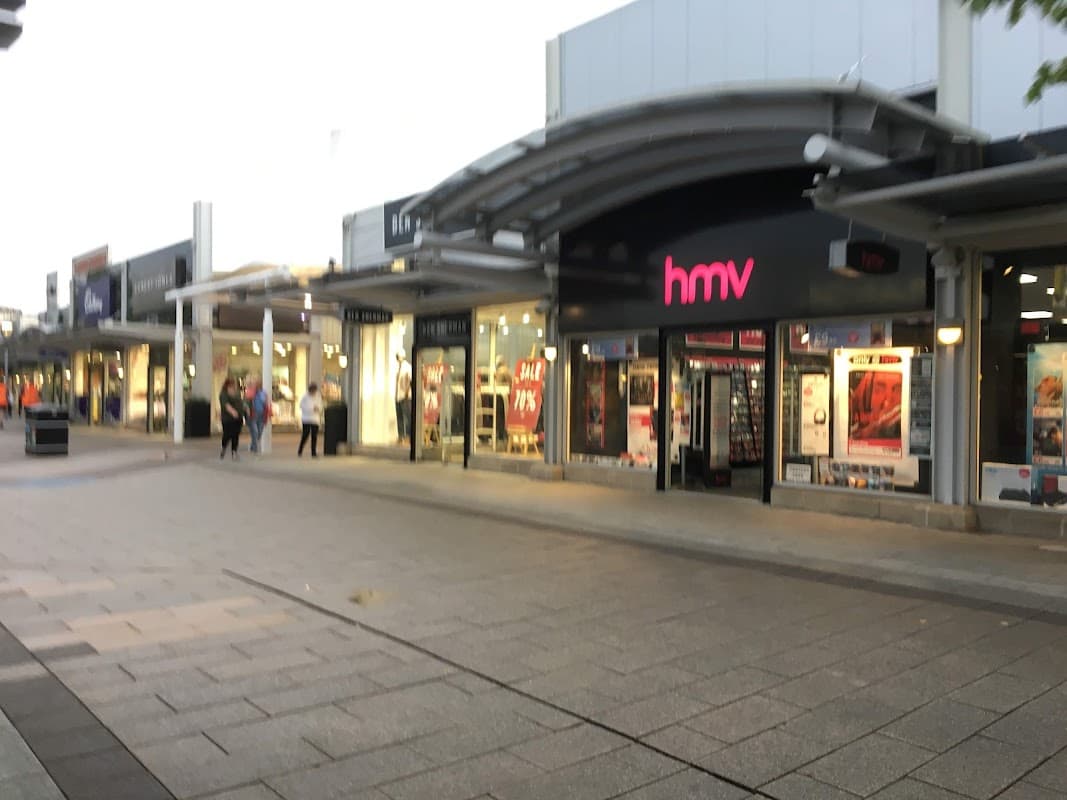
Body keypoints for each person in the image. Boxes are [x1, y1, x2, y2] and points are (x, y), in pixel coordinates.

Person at [218, 377, 244, 460]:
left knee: (235, 435)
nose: (234, 386)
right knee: (227, 434)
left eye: (235, 384)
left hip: (238, 418)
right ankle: (223, 447)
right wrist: (233, 412)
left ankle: (234, 452)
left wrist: (245, 409)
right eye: (232, 384)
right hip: (228, 419)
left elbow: (241, 403)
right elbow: (226, 405)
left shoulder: (237, 393)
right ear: (227, 385)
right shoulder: (223, 394)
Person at [298, 382, 323, 457]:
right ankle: (300, 449)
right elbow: (301, 406)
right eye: (312, 391)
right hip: (306, 418)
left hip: (315, 419)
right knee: (305, 434)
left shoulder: (318, 396)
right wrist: (312, 409)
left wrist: (318, 408)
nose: (313, 392)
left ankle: (313, 452)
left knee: (314, 436)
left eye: (314, 391)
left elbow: (320, 405)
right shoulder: (305, 396)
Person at [247, 379, 270, 453]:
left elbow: (265, 402)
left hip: (262, 414)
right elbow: (247, 401)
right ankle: (255, 449)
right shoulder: (250, 392)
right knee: (255, 432)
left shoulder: (263, 393)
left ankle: (252, 446)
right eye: (255, 384)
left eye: (258, 384)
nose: (256, 386)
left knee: (259, 432)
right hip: (253, 414)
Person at [395, 350, 412, 444]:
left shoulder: (408, 367)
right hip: (398, 395)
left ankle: (409, 436)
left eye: (398, 356)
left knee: (407, 417)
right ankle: (401, 436)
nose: (397, 358)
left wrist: (407, 392)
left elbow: (411, 381)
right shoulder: (397, 368)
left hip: (405, 396)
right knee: (400, 417)